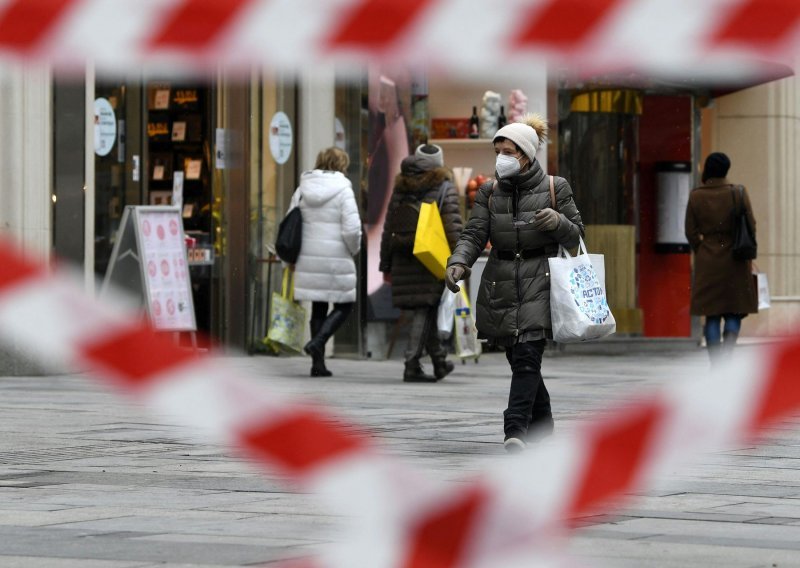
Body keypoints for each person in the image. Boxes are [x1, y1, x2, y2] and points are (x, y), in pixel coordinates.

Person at [444, 115, 584, 453]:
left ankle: (515, 429)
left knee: (527, 356)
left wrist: (558, 221)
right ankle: (543, 423)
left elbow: (578, 236)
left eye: (508, 151)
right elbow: (476, 232)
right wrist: (459, 261)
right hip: (501, 280)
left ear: (526, 153)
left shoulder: (555, 186)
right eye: (498, 151)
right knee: (518, 358)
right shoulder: (490, 192)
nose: (501, 158)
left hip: (541, 278)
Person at [380, 144, 464, 382]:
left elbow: (388, 227)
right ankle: (411, 363)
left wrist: (385, 263)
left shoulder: (400, 186)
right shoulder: (443, 186)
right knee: (425, 308)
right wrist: (460, 258)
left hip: (401, 255)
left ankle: (438, 362)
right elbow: (452, 225)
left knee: (426, 307)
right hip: (429, 256)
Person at [288, 147, 362, 377]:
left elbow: (291, 221)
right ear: (342, 165)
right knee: (344, 305)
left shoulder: (302, 189)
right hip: (336, 256)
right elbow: (352, 229)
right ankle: (318, 342)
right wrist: (354, 249)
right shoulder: (343, 190)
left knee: (319, 305)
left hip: (308, 256)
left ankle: (317, 364)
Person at [685, 152, 757, 366]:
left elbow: (690, 231)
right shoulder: (738, 193)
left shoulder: (696, 196)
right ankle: (727, 353)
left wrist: (702, 248)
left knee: (712, 313)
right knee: (734, 309)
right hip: (736, 258)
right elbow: (751, 226)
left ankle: (716, 361)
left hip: (708, 260)